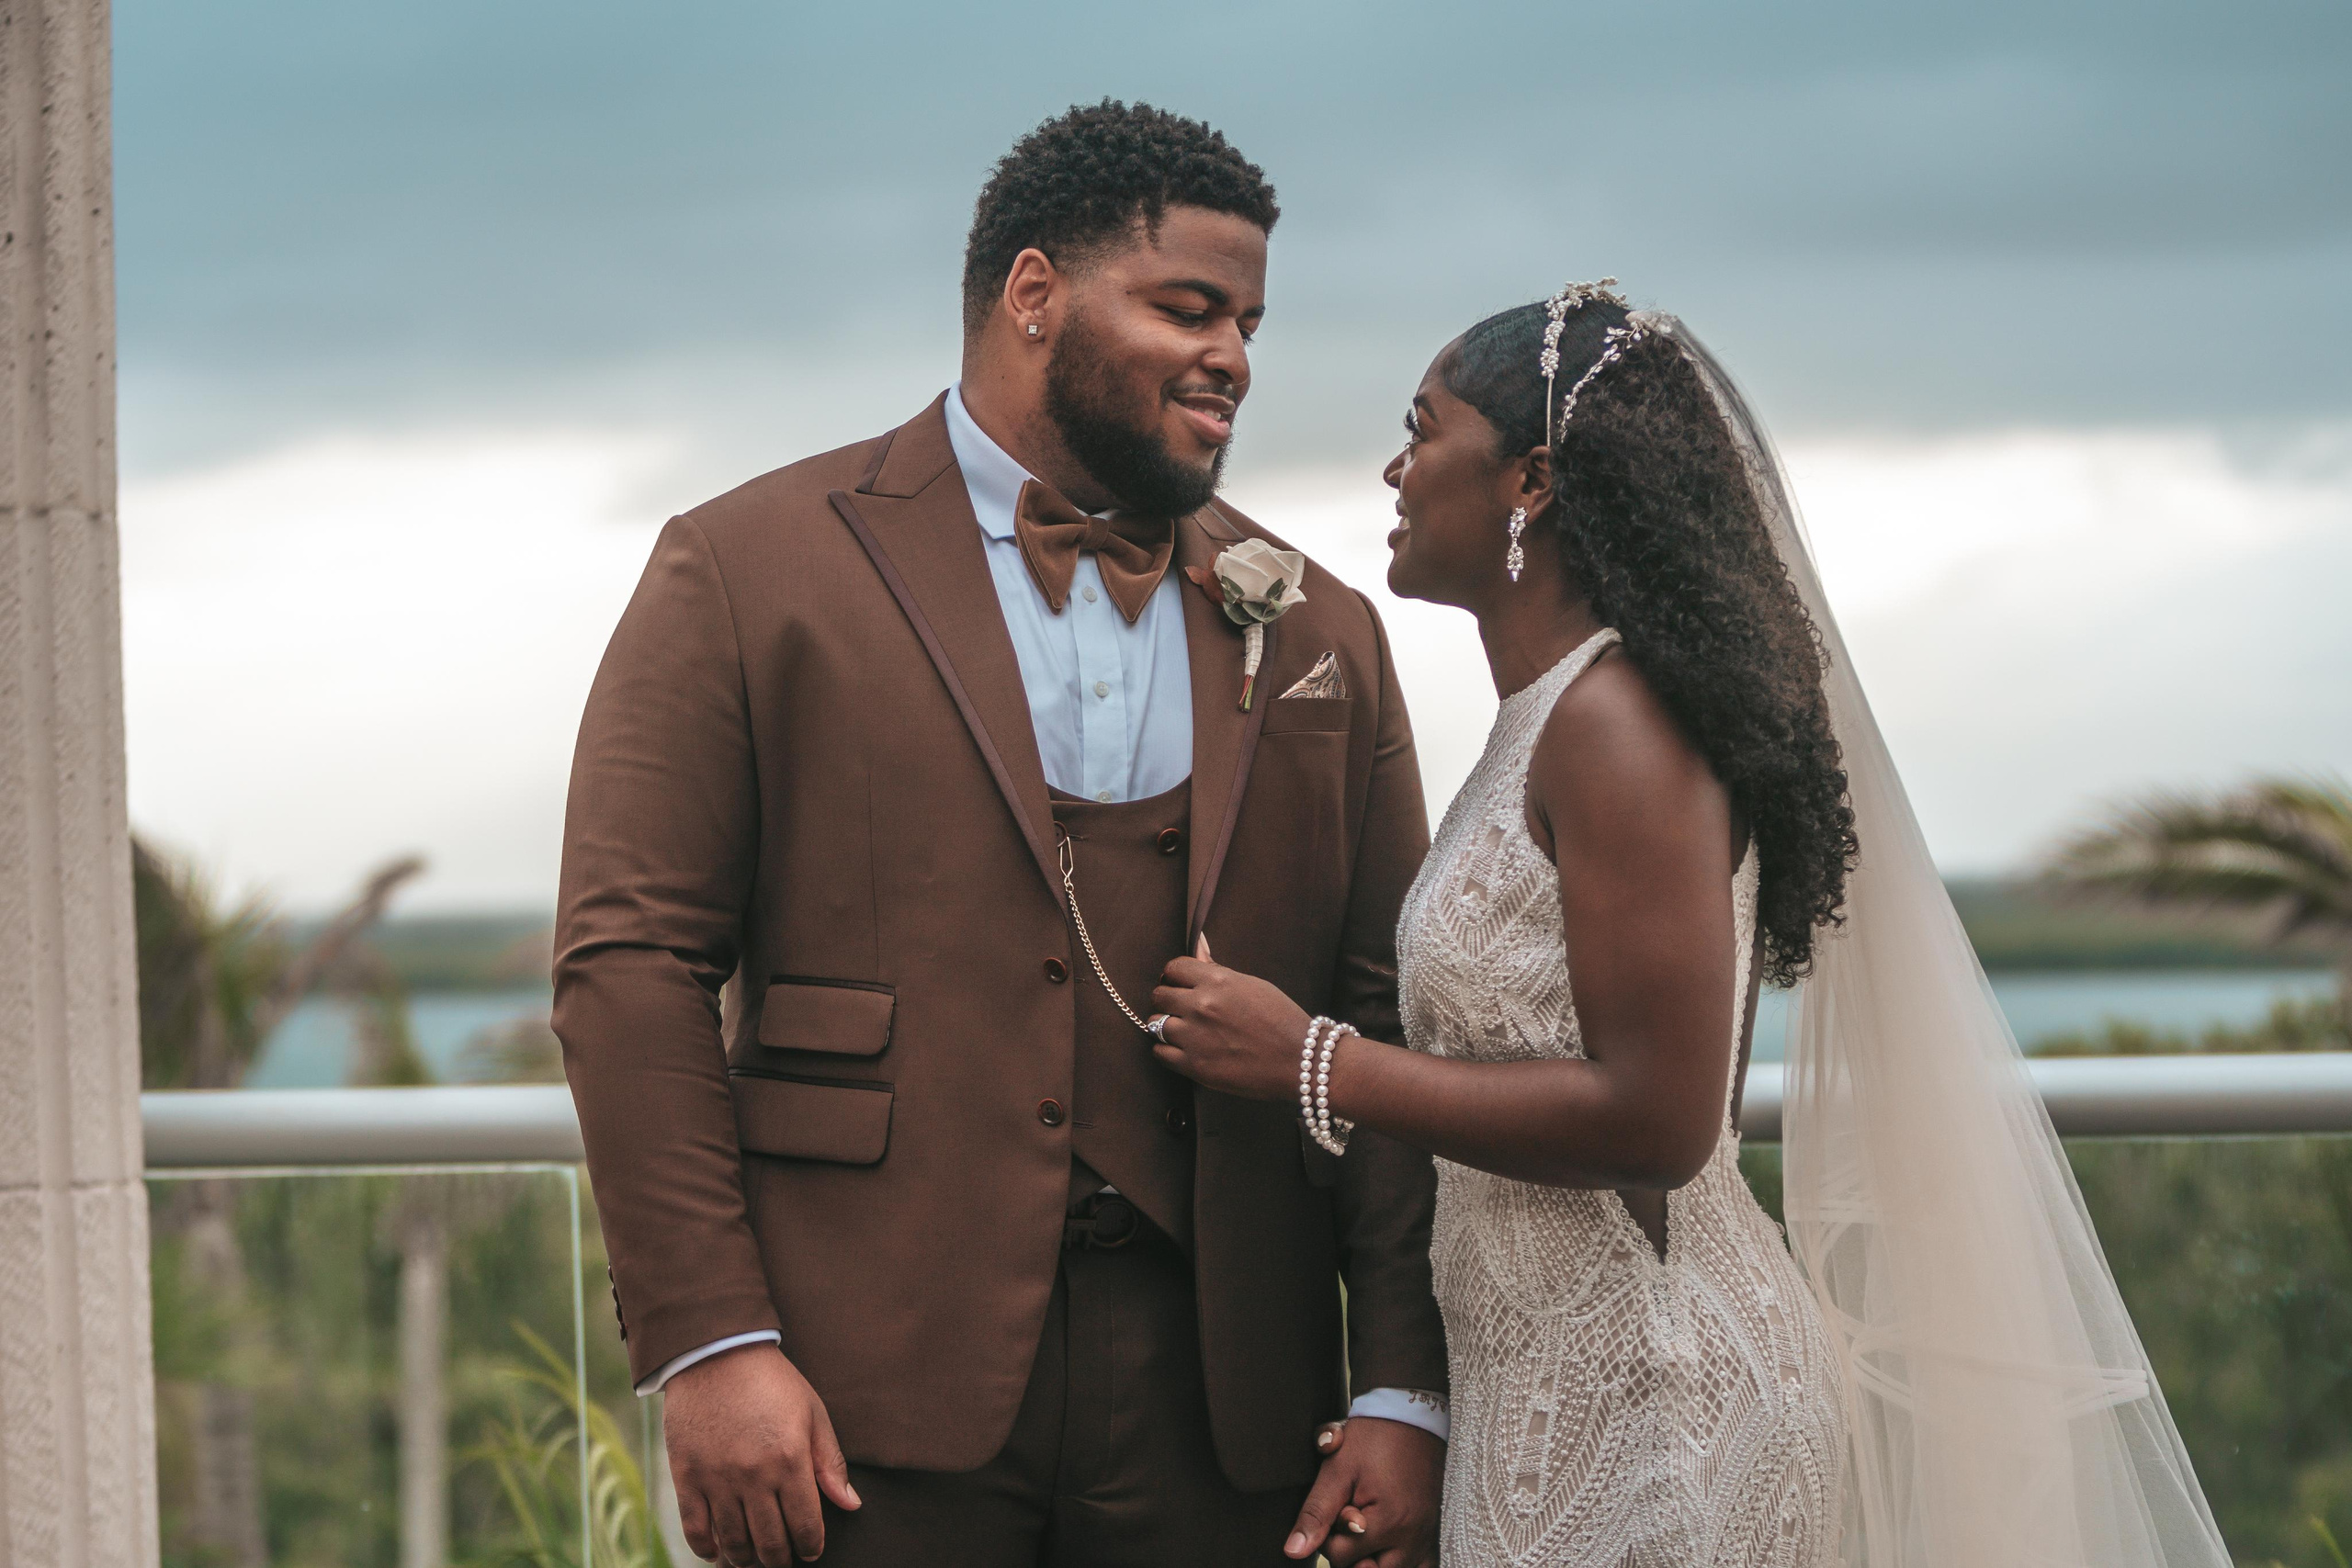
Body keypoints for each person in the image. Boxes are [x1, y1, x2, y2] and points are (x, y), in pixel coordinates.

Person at [1148, 285, 2235, 1567]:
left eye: (1421, 428)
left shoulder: (1614, 725)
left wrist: (1313, 1060)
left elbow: (1660, 1121)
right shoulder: (1546, 717)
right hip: (1553, 1386)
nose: (1394, 465)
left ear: (1532, 478)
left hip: (1662, 1405)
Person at [552, 101, 1447, 1568]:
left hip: (1230, 1412)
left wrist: (1404, 1383)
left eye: (1251, 321)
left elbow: (1380, 1008)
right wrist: (713, 1341)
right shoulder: (745, 568)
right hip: (856, 1399)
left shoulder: (1319, 627)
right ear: (1034, 295)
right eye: (1190, 307)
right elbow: (630, 964)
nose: (1234, 355)